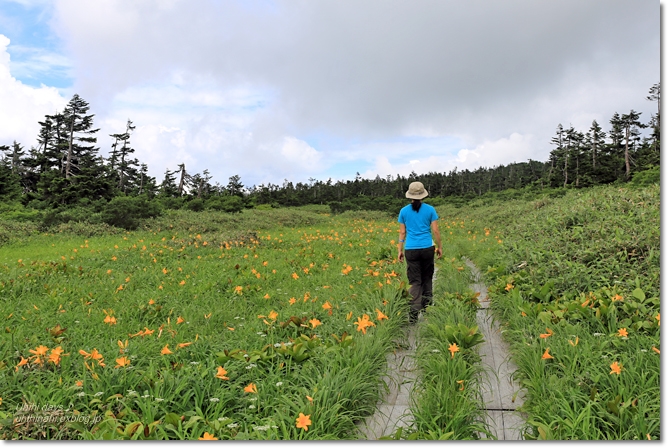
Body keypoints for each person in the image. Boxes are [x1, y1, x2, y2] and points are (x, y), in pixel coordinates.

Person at [397, 181, 442, 323]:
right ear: (423, 194)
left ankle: (413, 315)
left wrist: (400, 250)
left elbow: (402, 233)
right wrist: (440, 247)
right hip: (427, 248)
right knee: (427, 278)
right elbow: (435, 230)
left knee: (415, 281)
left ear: (410, 195)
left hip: (411, 249)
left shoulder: (404, 211)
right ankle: (428, 311)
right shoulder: (430, 209)